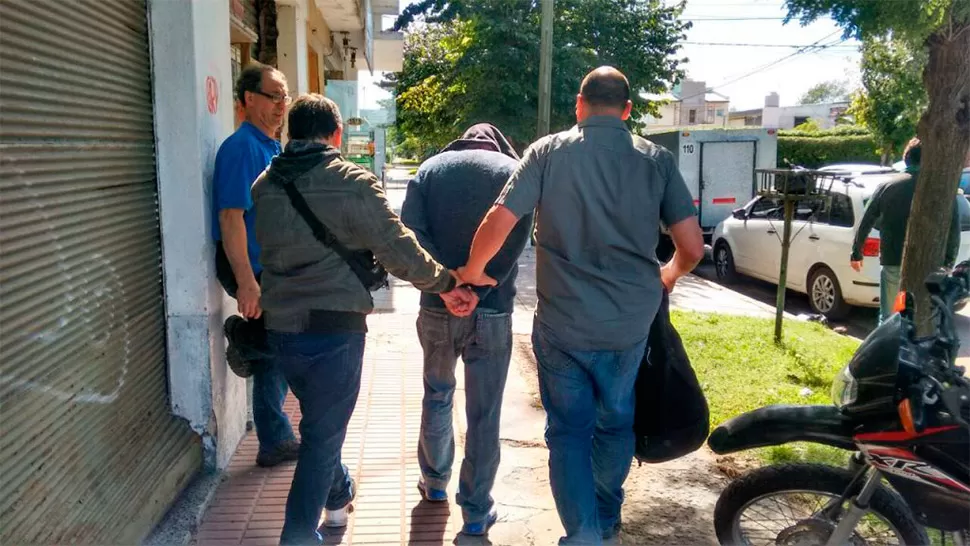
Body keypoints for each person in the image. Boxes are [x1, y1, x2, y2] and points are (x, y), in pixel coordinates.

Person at [459, 67, 705, 545]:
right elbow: (692, 247)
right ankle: (607, 524)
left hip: (563, 326)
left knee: (569, 431)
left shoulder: (547, 152)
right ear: (628, 110)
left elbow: (500, 217)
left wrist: (472, 271)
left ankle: (584, 533)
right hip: (629, 328)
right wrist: (668, 275)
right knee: (616, 421)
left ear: (579, 104)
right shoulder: (656, 160)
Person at [251, 94, 477, 546]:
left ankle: (339, 496)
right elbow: (396, 249)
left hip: (280, 328)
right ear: (336, 134)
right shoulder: (352, 182)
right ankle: (297, 536)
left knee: (320, 423)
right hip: (334, 329)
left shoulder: (263, 185)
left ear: (291, 132)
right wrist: (446, 282)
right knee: (321, 433)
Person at [400, 124, 534, 536]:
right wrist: (482, 281)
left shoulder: (429, 170)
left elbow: (409, 232)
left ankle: (435, 485)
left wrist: (446, 285)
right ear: (495, 144)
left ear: (460, 142)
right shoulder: (513, 169)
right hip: (493, 309)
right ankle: (476, 512)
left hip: (436, 308)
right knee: (484, 413)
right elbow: (520, 231)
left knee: (437, 395)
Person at [211, 63, 298, 468]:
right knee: (273, 351)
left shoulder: (271, 147)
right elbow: (231, 218)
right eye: (274, 96)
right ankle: (274, 439)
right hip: (253, 268)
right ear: (249, 99)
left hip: (271, 268)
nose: (282, 105)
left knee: (276, 346)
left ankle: (248, 339)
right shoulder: (241, 148)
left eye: (285, 97)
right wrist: (247, 283)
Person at [851, 137, 961, 324]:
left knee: (890, 317)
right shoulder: (941, 190)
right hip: (930, 262)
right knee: (924, 317)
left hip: (893, 259)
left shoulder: (887, 186)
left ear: (906, 159)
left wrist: (856, 253)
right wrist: (949, 261)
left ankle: (889, 350)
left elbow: (866, 221)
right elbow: (953, 228)